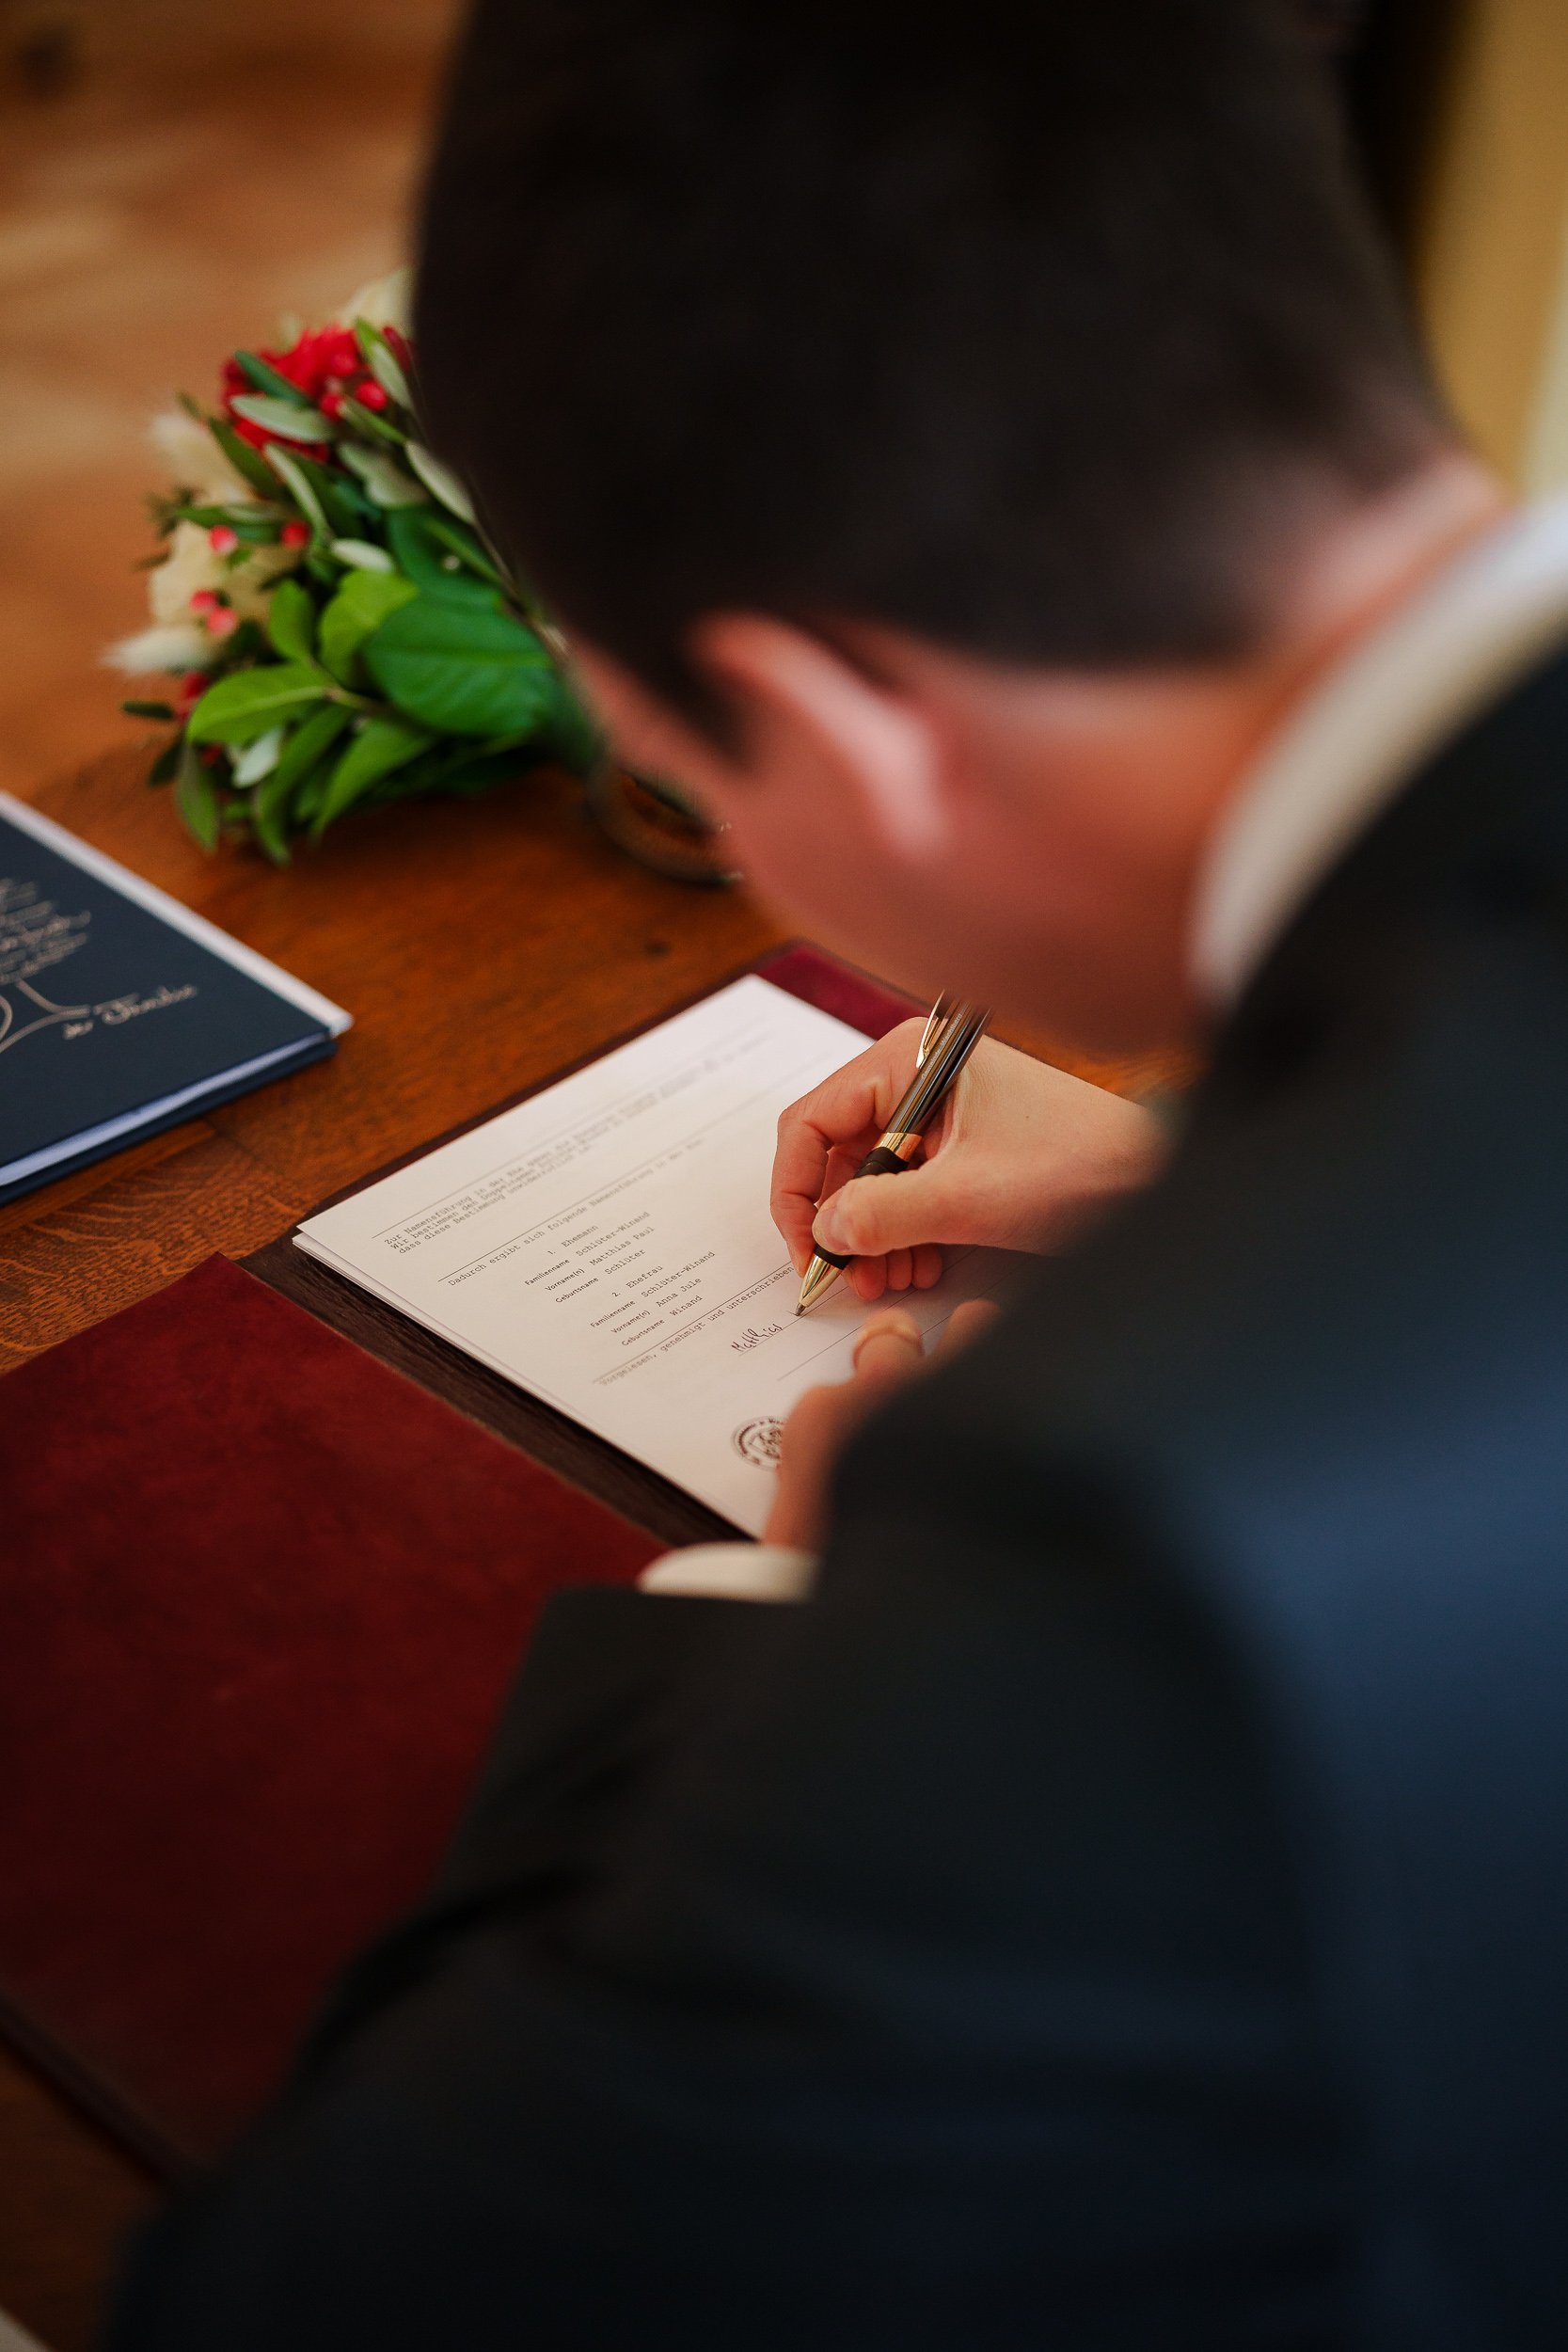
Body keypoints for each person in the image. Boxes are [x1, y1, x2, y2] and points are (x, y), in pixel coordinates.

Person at [109, 3, 1568, 2344]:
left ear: (840, 730)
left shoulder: (1098, 1550)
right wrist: (1200, 1176)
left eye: (688, 777)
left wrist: (789, 1610)